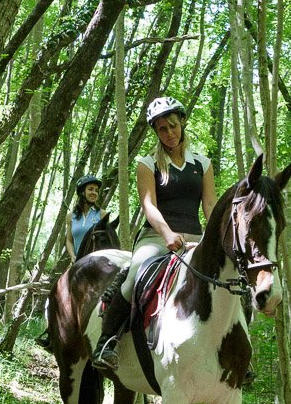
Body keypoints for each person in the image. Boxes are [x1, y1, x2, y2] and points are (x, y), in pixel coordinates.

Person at [92, 96, 216, 370]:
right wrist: (168, 234)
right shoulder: (147, 164)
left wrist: (217, 238)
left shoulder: (202, 164)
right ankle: (107, 341)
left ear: (182, 122)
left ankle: (236, 352)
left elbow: (210, 205)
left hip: (195, 239)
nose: (169, 133)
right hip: (157, 236)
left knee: (227, 276)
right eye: (162, 129)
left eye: (173, 125)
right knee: (135, 274)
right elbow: (149, 205)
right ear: (156, 132)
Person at [65, 174, 104, 260]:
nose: (94, 193)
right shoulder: (70, 216)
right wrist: (72, 256)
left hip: (96, 263)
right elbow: (69, 241)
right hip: (77, 262)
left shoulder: (102, 214)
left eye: (96, 190)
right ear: (82, 192)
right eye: (90, 189)